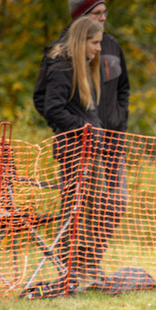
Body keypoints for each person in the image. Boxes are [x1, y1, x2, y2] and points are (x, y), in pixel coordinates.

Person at [33, 0, 130, 284]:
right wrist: (78, 128)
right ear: (80, 21)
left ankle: (90, 263)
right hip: (80, 145)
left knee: (110, 204)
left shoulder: (110, 46)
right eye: (96, 15)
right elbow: (48, 103)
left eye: (105, 14)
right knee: (79, 207)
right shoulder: (61, 57)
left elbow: (122, 88)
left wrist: (116, 121)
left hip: (109, 140)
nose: (103, 20)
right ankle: (73, 266)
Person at [41, 16, 107, 292]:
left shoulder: (85, 70)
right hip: (74, 152)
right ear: (82, 42)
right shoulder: (62, 67)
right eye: (94, 42)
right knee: (75, 211)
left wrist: (97, 132)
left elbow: (85, 110)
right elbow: (52, 108)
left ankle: (89, 265)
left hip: (91, 151)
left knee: (97, 208)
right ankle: (71, 270)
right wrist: (85, 130)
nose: (98, 48)